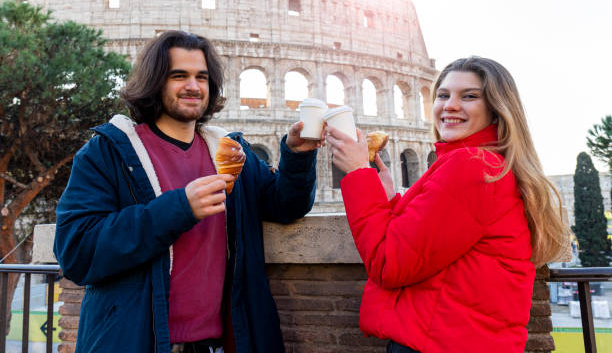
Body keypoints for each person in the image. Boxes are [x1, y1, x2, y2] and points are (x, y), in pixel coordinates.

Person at [54, 31, 321, 353]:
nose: (193, 86)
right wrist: (179, 208)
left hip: (222, 343)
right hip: (135, 341)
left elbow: (285, 206)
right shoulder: (107, 153)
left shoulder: (231, 151)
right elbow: (76, 252)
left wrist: (297, 155)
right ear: (155, 82)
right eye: (178, 76)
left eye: (202, 77)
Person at [325, 56, 569, 353]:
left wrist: (358, 174)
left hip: (438, 342)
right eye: (443, 95)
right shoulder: (489, 163)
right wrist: (388, 200)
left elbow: (388, 264)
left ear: (496, 109)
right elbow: (434, 239)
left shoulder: (472, 166)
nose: (450, 105)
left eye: (469, 96)